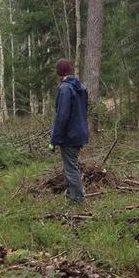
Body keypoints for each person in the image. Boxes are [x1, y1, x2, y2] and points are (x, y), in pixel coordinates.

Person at [49, 58, 90, 203]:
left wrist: (54, 139)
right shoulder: (80, 87)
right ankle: (70, 196)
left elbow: (62, 116)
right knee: (69, 166)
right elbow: (84, 111)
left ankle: (77, 200)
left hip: (70, 136)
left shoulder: (65, 88)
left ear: (58, 71)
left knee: (71, 168)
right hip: (79, 133)